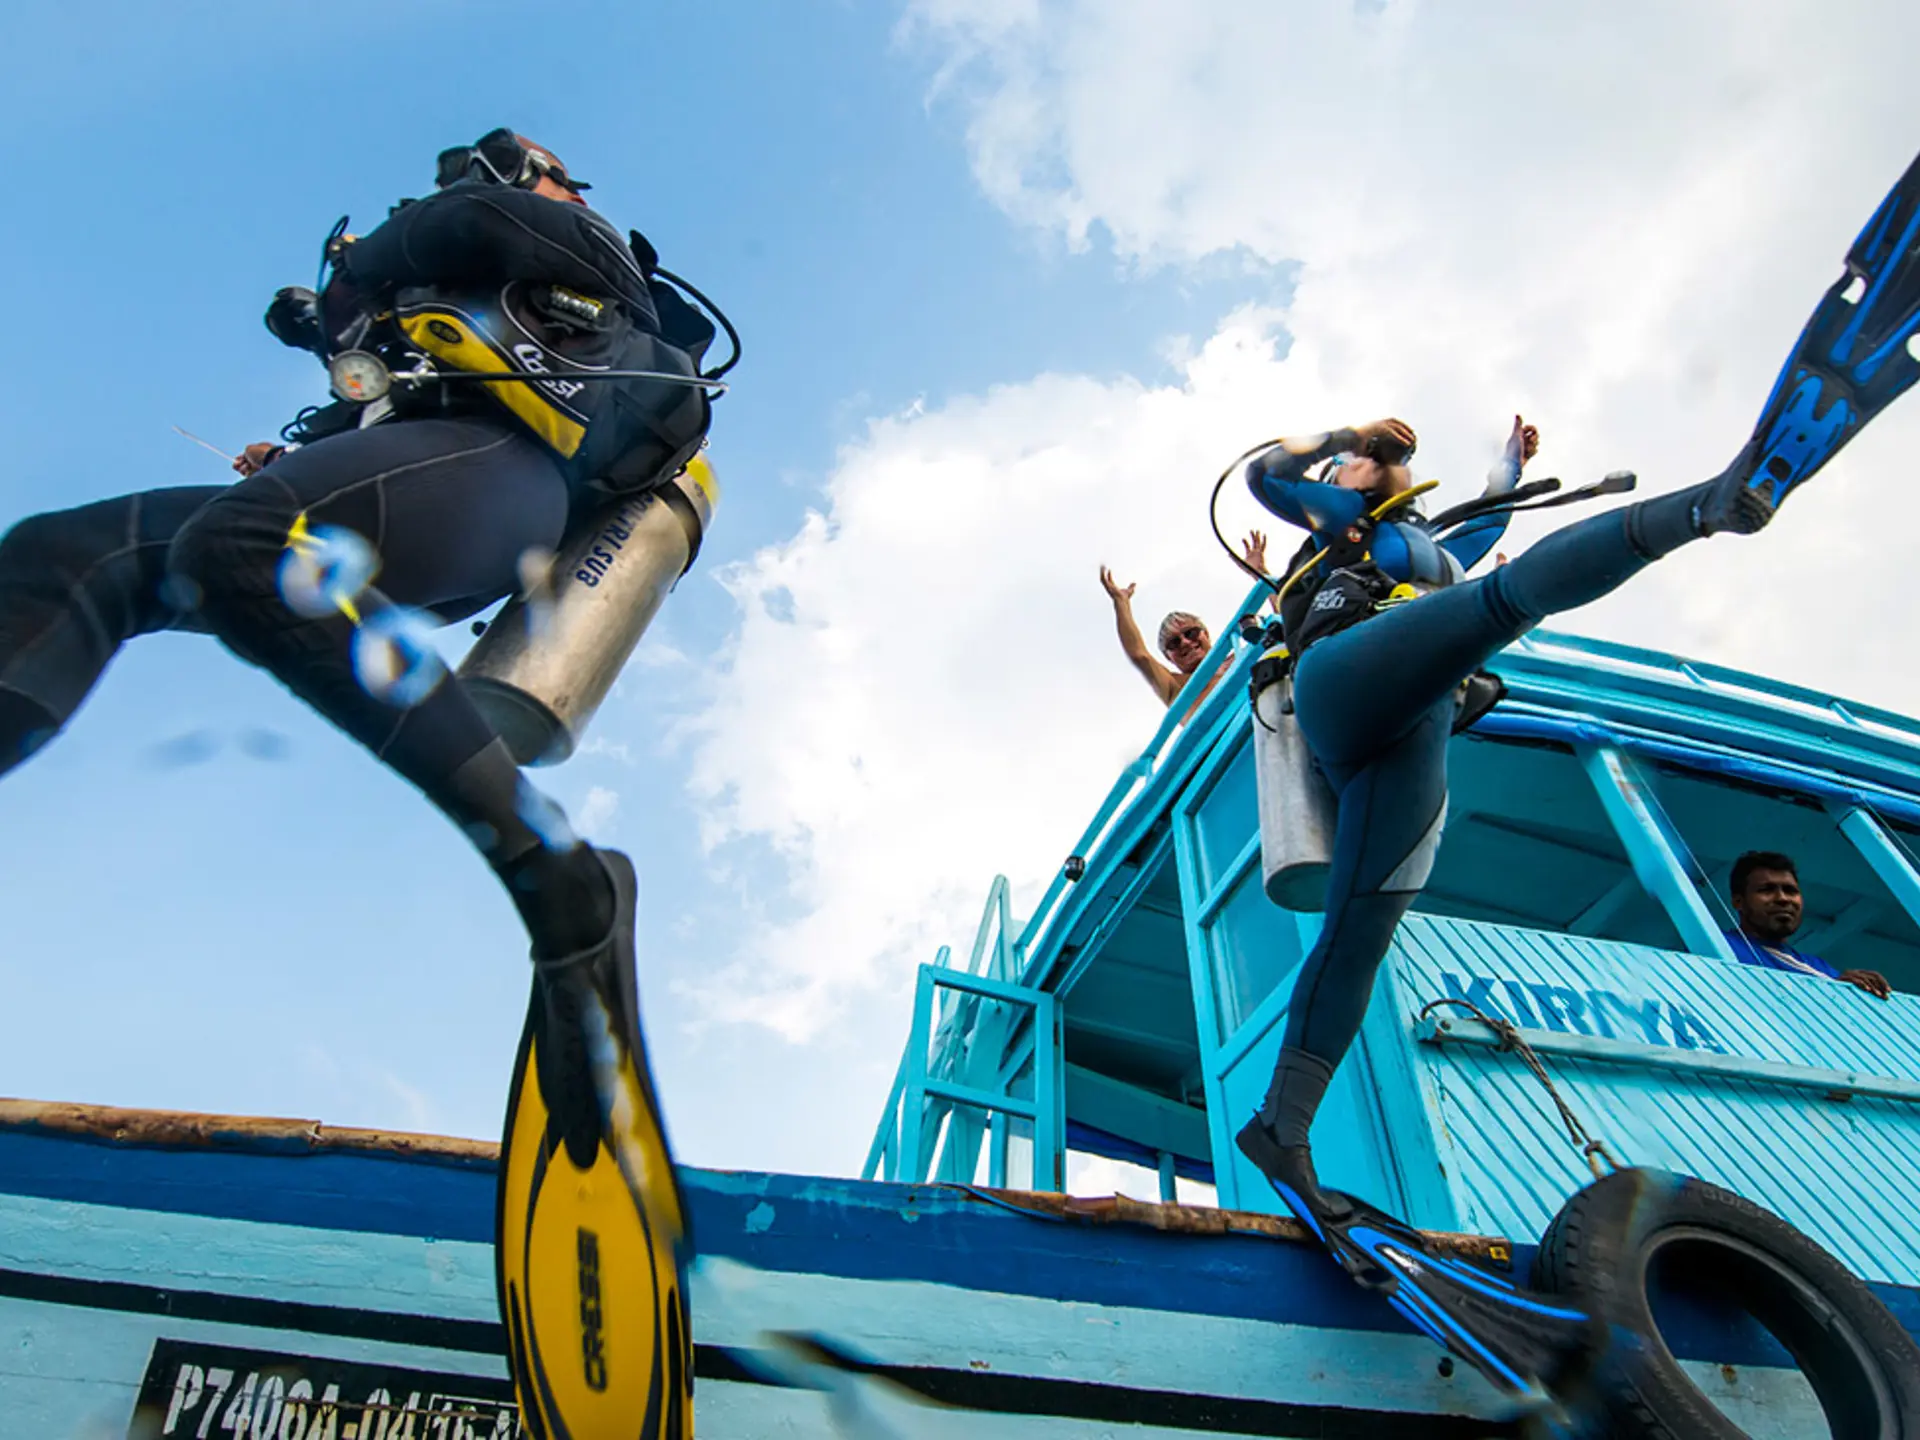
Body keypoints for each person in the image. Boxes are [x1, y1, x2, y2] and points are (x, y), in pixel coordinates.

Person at [0, 129, 697, 1437]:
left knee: (241, 548)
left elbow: (486, 244)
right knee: (69, 554)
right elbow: (366, 388)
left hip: (503, 485)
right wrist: (316, 414)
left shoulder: (583, 255)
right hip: (405, 468)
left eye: (501, 162)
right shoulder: (418, 287)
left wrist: (343, 280)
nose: (461, 177)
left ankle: (558, 885)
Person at [1101, 532, 1271, 715]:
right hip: (1232, 740)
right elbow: (1139, 656)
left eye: (1190, 633)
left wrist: (1260, 573)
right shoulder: (1175, 688)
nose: (1185, 642)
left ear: (1205, 634)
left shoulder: (1240, 655)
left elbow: (1289, 627)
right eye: (1174, 643)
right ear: (1169, 657)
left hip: (1273, 708)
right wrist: (1121, 603)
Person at [1723, 850, 1892, 999]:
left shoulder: (1818, 967)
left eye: (1790, 891)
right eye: (1766, 890)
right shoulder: (1717, 946)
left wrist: (1847, 990)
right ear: (1738, 901)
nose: (1783, 899)